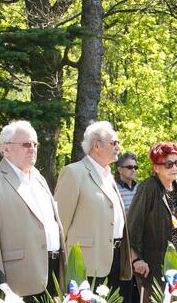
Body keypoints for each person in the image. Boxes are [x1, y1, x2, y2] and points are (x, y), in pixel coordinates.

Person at [0, 121, 65, 303]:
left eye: (35, 144)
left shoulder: (39, 178)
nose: (32, 149)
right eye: (26, 144)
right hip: (16, 280)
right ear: (6, 149)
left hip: (51, 272)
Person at [54, 121, 132, 292]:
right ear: (97, 145)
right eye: (114, 143)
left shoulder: (107, 174)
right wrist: (63, 266)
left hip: (115, 259)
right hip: (86, 263)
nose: (118, 147)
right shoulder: (74, 172)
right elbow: (60, 224)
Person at [127, 142, 177, 303]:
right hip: (153, 264)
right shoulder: (148, 188)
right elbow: (133, 226)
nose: (175, 168)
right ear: (156, 167)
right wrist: (136, 259)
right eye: (169, 164)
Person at [115, 151, 140, 303]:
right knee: (125, 284)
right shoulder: (114, 188)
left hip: (140, 242)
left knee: (139, 286)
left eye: (135, 167)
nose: (133, 170)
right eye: (129, 167)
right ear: (119, 170)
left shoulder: (141, 188)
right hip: (123, 243)